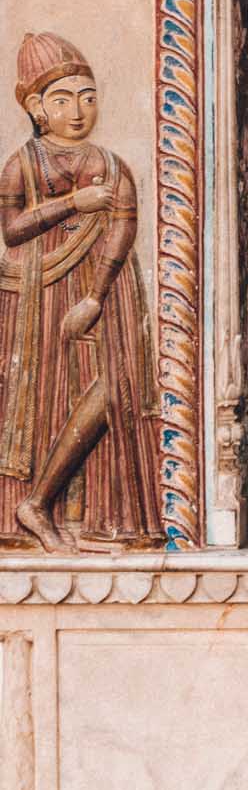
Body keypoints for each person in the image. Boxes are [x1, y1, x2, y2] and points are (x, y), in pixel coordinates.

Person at [0, 33, 162, 550]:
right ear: (36, 107)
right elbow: (13, 229)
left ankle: (69, 511)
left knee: (116, 391)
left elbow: (123, 227)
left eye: (87, 96)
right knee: (45, 399)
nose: (78, 110)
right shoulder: (21, 164)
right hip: (37, 295)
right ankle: (37, 509)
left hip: (105, 293)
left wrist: (95, 296)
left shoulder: (112, 165)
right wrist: (74, 202)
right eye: (63, 99)